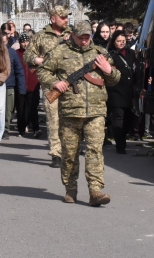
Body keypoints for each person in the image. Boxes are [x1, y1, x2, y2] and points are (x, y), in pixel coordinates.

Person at [37, 20, 120, 206]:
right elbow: (42, 71)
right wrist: (54, 83)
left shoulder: (100, 54)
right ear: (73, 35)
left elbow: (115, 79)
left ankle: (95, 191)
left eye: (87, 37)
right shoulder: (60, 52)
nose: (84, 41)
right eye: (81, 37)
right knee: (70, 153)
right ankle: (70, 188)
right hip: (70, 112)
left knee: (95, 151)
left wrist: (109, 71)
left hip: (96, 111)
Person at [24, 6, 71, 168]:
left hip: (72, 84)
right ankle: (56, 153)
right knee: (53, 119)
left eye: (67, 17)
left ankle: (69, 150)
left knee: (70, 119)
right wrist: (39, 61)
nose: (66, 19)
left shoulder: (73, 34)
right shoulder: (42, 36)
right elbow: (28, 55)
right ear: (53, 19)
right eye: (62, 17)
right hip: (50, 84)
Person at [106, 31, 135, 154]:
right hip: (115, 91)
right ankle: (120, 144)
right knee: (118, 118)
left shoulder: (131, 53)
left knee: (129, 119)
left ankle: (122, 137)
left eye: (123, 41)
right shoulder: (110, 55)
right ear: (113, 42)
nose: (121, 43)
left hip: (130, 91)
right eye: (118, 41)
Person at [0, 25, 26, 139]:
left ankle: (5, 129)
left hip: (9, 85)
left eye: (5, 41)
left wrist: (21, 88)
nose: (3, 43)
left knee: (8, 110)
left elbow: (19, 70)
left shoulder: (12, 53)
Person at [17, 33, 41, 137]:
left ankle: (36, 128)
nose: (25, 44)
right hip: (21, 85)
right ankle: (21, 129)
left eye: (27, 41)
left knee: (33, 108)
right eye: (23, 42)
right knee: (21, 109)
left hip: (33, 84)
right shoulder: (16, 53)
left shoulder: (35, 54)